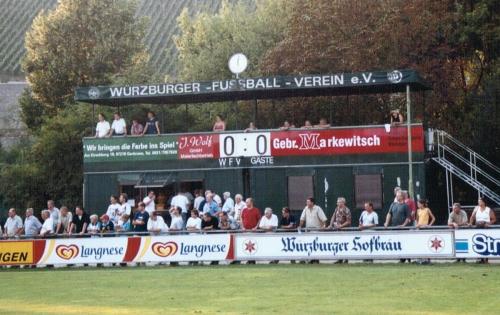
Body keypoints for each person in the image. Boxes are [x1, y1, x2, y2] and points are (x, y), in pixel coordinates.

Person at [384, 191, 411, 263]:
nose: (397, 197)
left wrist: (403, 225)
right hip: (394, 227)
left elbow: (408, 217)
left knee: (404, 243)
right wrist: (386, 222)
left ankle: (406, 258)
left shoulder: (406, 206)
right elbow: (389, 214)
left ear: (402, 197)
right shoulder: (393, 204)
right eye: (396, 195)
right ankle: (401, 258)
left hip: (403, 229)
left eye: (398, 195)